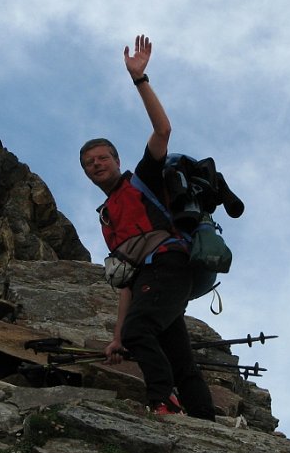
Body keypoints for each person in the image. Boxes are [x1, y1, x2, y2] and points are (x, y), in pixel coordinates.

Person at [79, 34, 215, 420]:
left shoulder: (143, 180)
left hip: (170, 264)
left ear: (117, 160)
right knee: (178, 356)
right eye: (89, 163)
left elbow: (163, 131)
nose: (96, 165)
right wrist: (118, 337)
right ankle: (206, 420)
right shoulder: (108, 218)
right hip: (150, 278)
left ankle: (162, 402)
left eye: (102, 157)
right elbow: (127, 283)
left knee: (144, 332)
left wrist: (140, 79)